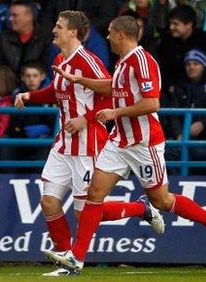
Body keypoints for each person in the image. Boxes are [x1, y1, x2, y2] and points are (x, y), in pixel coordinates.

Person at [44, 15, 206, 275]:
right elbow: (112, 88)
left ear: (121, 34)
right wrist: (79, 80)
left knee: (163, 200)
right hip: (118, 142)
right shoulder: (122, 63)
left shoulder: (142, 61)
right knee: (93, 196)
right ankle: (77, 258)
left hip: (144, 143)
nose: (106, 37)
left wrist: (115, 114)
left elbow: (153, 103)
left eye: (109, 32)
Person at [14, 11, 165, 277]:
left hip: (88, 144)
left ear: (72, 32)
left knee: (84, 214)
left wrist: (85, 118)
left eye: (58, 27)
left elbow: (112, 94)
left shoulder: (89, 61)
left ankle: (141, 208)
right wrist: (30, 95)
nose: (54, 31)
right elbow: (57, 91)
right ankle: (65, 262)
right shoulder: (60, 59)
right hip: (64, 144)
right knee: (49, 202)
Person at [0, 0, 52, 76]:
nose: (10, 19)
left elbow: (48, 67)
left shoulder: (45, 37)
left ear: (29, 16)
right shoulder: (3, 37)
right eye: (10, 15)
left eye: (15, 15)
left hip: (37, 84)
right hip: (9, 85)